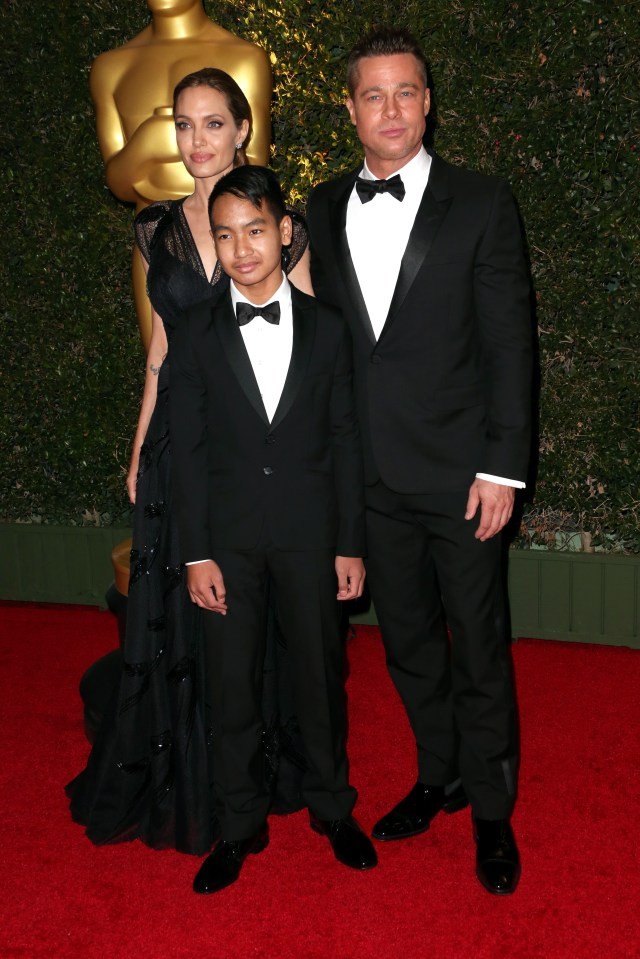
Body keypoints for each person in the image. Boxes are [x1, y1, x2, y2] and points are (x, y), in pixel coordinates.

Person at [307, 28, 533, 895]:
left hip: (462, 476)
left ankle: (491, 810)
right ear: (351, 108)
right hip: (370, 479)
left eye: (406, 92)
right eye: (373, 94)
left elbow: (512, 346)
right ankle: (437, 772)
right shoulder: (322, 209)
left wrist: (503, 468)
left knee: (478, 646)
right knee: (407, 645)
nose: (390, 109)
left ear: (428, 101)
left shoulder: (481, 201)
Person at [66, 69, 312, 856]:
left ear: (243, 130)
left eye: (213, 123)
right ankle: (185, 770)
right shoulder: (154, 230)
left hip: (249, 449)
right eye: (184, 124)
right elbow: (159, 351)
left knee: (244, 608)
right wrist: (140, 448)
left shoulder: (281, 224)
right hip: (178, 442)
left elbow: (303, 347)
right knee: (177, 606)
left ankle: (250, 765)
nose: (197, 140)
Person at [169, 164, 377, 894]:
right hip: (224, 541)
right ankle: (238, 824)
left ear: (284, 232)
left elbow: (347, 438)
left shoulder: (328, 328)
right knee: (232, 688)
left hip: (311, 535)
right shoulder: (192, 330)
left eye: (256, 230)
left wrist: (350, 541)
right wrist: (195, 551)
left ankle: (332, 808)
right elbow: (186, 452)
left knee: (321, 677)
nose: (242, 249)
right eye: (225, 235)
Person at [89, 0, 273, 346]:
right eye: (183, 125)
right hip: (158, 246)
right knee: (167, 367)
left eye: (214, 122)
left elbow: (255, 172)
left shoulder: (245, 58)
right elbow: (117, 182)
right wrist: (148, 142)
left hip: (235, 238)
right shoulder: (111, 68)